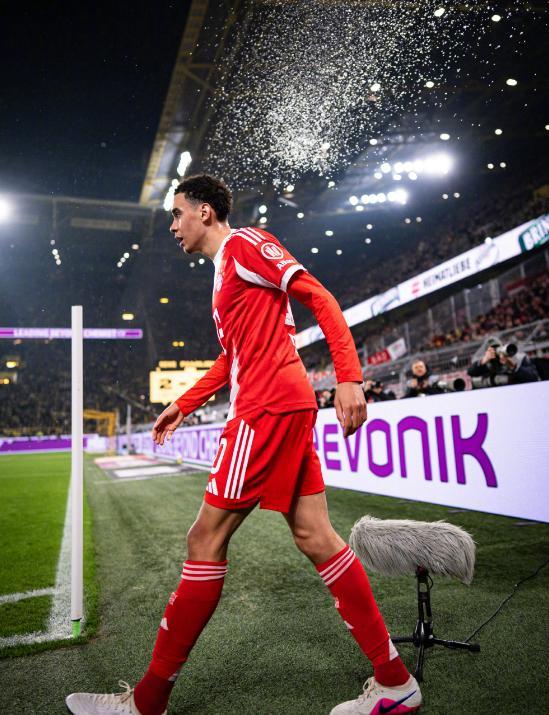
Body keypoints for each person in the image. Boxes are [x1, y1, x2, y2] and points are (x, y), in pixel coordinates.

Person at [66, 174, 422, 715]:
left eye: (178, 213)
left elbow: (320, 297)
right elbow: (231, 358)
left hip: (265, 410)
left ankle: (145, 703)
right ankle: (396, 682)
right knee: (316, 535)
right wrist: (184, 403)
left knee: (204, 539)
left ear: (205, 212)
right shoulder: (223, 274)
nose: (173, 225)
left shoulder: (246, 245)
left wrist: (349, 377)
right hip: (282, 404)